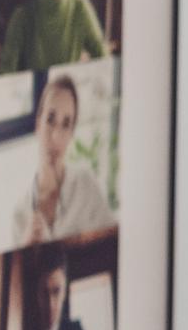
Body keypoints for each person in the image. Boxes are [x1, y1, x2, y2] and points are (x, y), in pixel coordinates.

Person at [7, 69, 114, 246]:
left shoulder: (86, 186)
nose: (56, 135)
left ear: (71, 134)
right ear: (38, 125)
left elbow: (113, 246)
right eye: (50, 119)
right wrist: (26, 248)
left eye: (66, 124)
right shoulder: (20, 216)